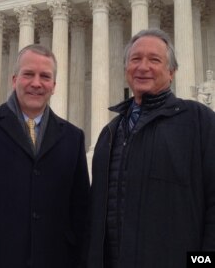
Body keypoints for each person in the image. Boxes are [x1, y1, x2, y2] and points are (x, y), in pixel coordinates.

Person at [87, 28, 215, 268]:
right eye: (135, 59)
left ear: (172, 72)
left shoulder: (199, 121)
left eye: (154, 60)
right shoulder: (110, 134)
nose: (143, 67)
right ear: (126, 69)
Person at [0, 44, 90, 268]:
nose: (36, 83)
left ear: (54, 86)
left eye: (45, 76)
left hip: (52, 260)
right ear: (14, 80)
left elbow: (79, 213)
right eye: (28, 74)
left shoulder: (73, 138)